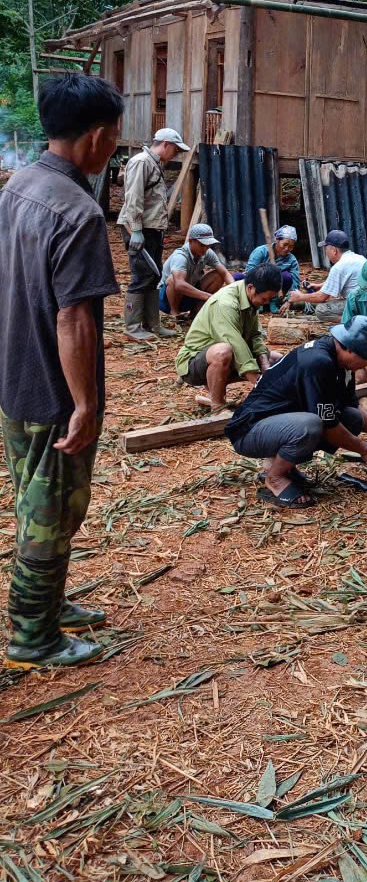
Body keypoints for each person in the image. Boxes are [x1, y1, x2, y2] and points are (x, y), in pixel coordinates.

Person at [0, 74, 124, 668]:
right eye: (115, 139)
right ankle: (33, 636)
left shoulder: (18, 185)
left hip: (12, 372)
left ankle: (49, 605)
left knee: (36, 496)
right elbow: (74, 319)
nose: (114, 149)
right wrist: (85, 403)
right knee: (50, 512)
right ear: (97, 137)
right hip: (51, 388)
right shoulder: (79, 211)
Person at [225, 317, 367, 509]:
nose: (366, 366)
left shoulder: (340, 362)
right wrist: (365, 451)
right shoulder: (318, 362)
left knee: (351, 417)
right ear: (350, 348)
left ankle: (283, 467)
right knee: (312, 425)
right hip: (249, 431)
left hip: (278, 424)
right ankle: (275, 477)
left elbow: (352, 406)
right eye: (366, 359)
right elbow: (327, 423)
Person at [175, 264, 283, 412]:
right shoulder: (226, 303)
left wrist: (265, 366)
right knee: (223, 351)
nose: (266, 303)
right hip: (194, 361)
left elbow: (255, 336)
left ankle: (217, 391)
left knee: (276, 360)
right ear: (251, 288)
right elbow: (234, 343)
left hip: (227, 355)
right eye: (264, 299)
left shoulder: (249, 297)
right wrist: (258, 382)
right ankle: (218, 406)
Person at [117, 125, 190, 342]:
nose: (176, 154)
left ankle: (152, 323)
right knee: (141, 276)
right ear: (165, 144)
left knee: (154, 275)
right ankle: (132, 326)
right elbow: (134, 198)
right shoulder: (141, 162)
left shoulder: (155, 164)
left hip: (152, 228)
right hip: (139, 228)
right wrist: (137, 231)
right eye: (175, 149)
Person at [160, 223, 232, 318]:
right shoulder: (180, 257)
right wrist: (208, 296)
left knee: (218, 275)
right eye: (202, 245)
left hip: (189, 295)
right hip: (166, 300)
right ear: (190, 241)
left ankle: (195, 312)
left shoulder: (207, 252)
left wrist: (234, 291)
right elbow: (179, 285)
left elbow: (224, 272)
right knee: (174, 279)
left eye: (208, 245)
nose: (206, 248)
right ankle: (174, 312)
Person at [287, 230, 365, 313]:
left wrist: (300, 296)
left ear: (334, 251)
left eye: (326, 249)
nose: (326, 253)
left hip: (358, 305)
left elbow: (321, 297)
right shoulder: (359, 258)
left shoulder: (338, 267)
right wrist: (320, 285)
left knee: (321, 310)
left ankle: (350, 319)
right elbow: (344, 278)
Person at [246, 226, 301, 313]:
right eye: (285, 244)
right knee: (238, 277)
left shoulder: (291, 259)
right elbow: (249, 272)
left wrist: (289, 300)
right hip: (258, 287)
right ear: (277, 240)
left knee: (286, 277)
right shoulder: (261, 251)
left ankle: (274, 302)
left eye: (291, 246)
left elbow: (295, 282)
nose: (287, 249)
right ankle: (257, 300)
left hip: (276, 292)